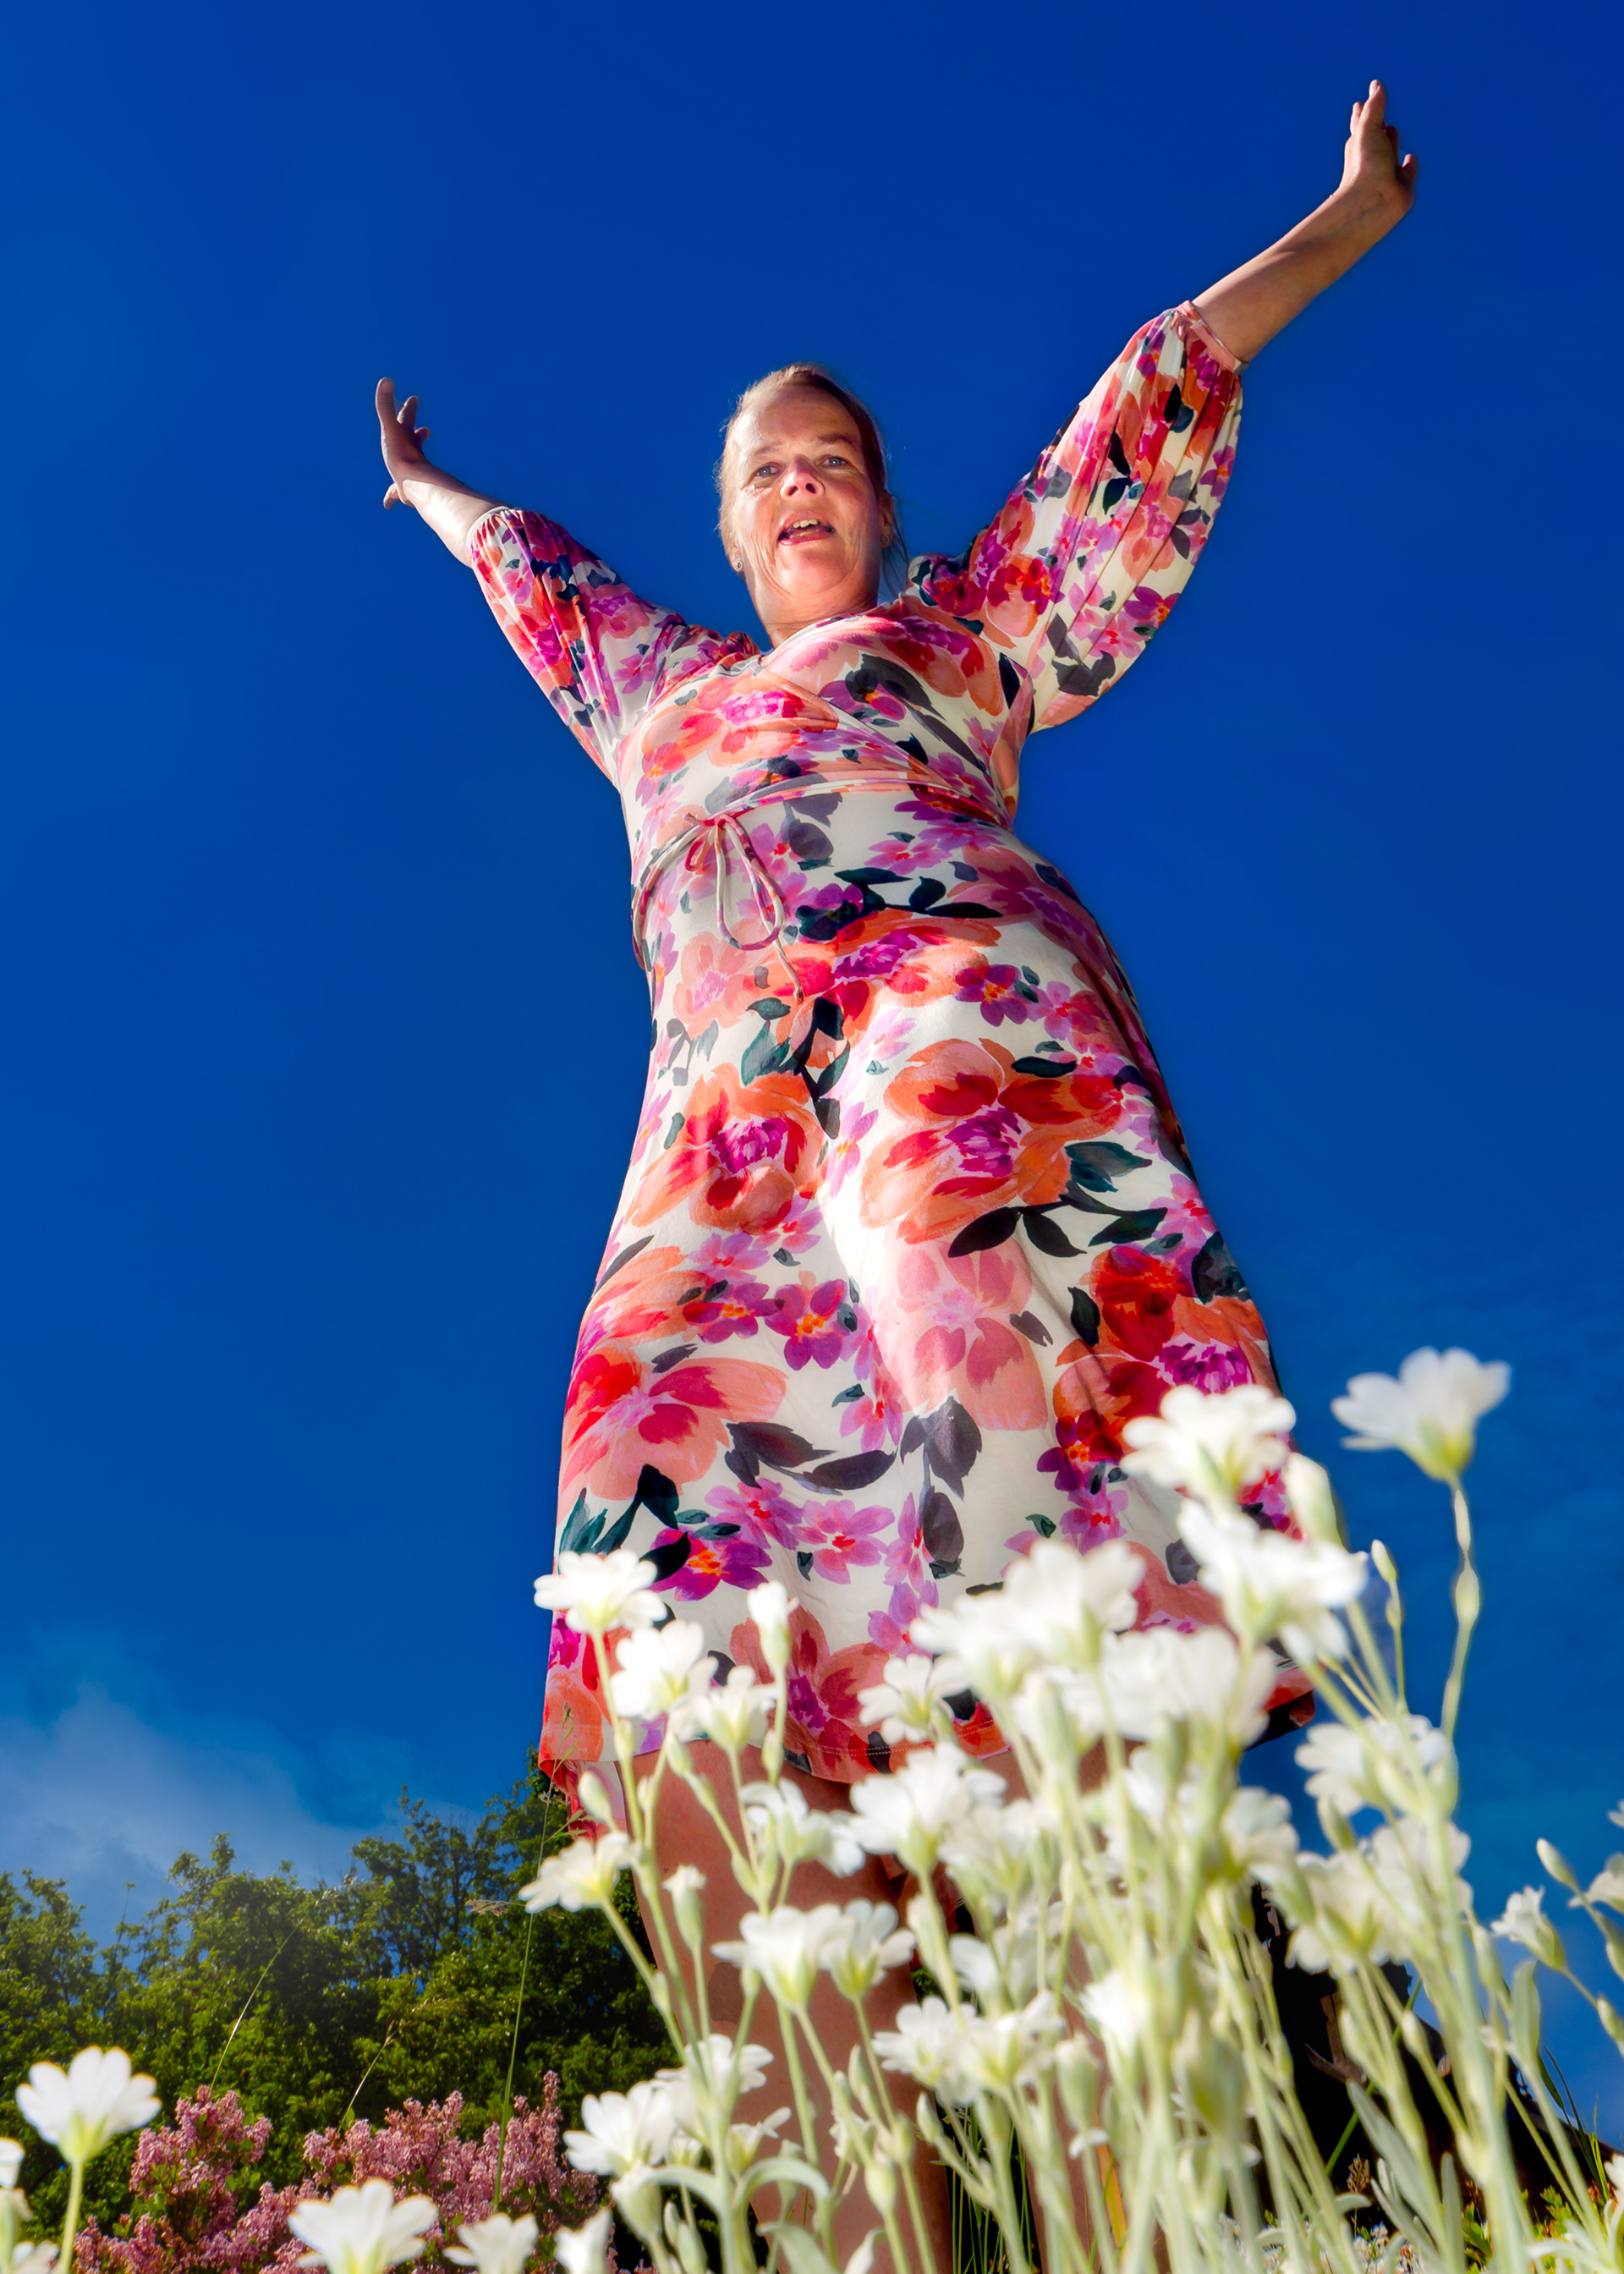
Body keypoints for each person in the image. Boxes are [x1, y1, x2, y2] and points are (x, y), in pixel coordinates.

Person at [376, 81, 1415, 2267]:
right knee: (663, 1569)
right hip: (718, 1133)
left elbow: (1139, 413)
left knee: (1009, 1505)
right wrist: (424, 491)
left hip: (961, 1055)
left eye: (835, 457)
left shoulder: (962, 639)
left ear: (880, 508)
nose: (802, 483)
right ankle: (866, 2222)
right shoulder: (659, 696)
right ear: (731, 531)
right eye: (767, 468)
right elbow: (534, 576)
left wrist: (1332, 233)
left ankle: (1136, 2176)